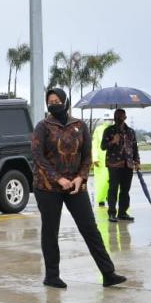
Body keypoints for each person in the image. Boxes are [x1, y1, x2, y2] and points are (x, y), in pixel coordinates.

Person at [31, 88, 128, 289]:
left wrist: (80, 177)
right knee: (50, 231)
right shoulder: (43, 126)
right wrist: (58, 179)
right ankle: (52, 275)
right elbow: (38, 157)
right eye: (50, 101)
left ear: (65, 102)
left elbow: (86, 156)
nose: (53, 103)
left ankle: (108, 273)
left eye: (57, 100)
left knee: (90, 228)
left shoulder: (80, 125)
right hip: (48, 187)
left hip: (76, 186)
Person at [102, 109, 141, 222]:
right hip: (114, 164)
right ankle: (112, 213)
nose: (118, 118)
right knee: (113, 189)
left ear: (125, 117)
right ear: (114, 117)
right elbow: (103, 146)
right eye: (117, 116)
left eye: (121, 116)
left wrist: (137, 161)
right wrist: (113, 141)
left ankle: (123, 212)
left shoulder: (131, 132)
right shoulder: (109, 131)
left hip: (127, 164)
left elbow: (134, 148)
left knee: (125, 190)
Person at [91, 114, 112, 207]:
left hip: (114, 160)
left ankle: (111, 197)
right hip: (101, 161)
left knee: (113, 181)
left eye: (111, 119)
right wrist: (94, 158)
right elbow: (94, 145)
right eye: (107, 119)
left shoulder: (117, 129)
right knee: (101, 181)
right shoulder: (98, 130)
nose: (109, 121)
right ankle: (101, 199)